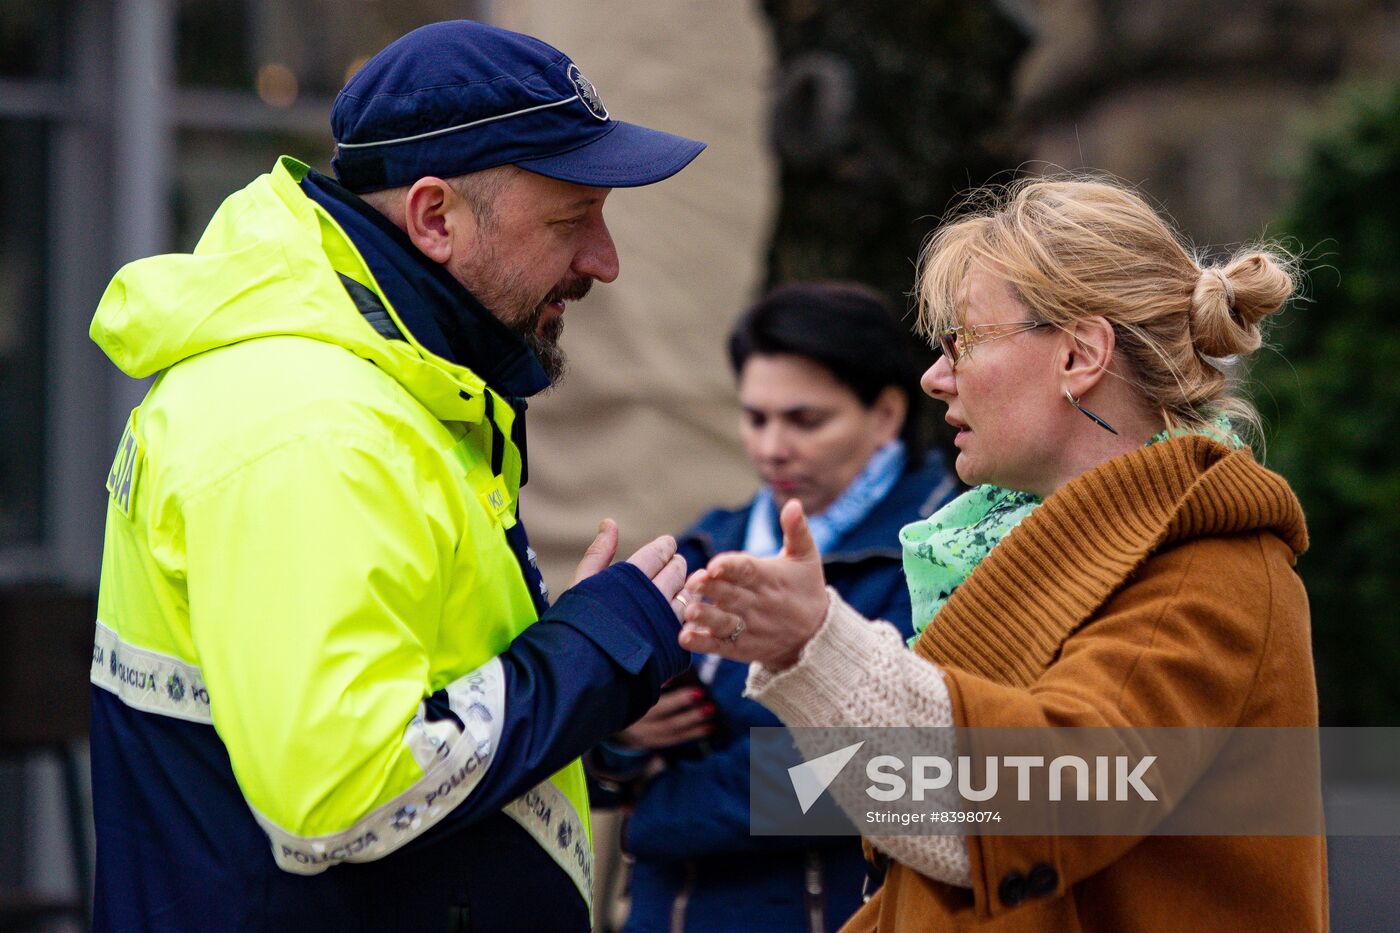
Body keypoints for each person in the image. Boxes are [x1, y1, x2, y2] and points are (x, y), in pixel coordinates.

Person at [88, 20, 705, 933]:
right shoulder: (315, 425)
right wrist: (593, 654)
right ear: (432, 218)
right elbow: (347, 790)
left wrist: (588, 704)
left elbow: (416, 699)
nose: (602, 262)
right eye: (572, 220)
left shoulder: (372, 386)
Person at [678, 177, 1326, 930]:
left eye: (964, 341)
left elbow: (1022, 808)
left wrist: (818, 644)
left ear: (1080, 355)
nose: (935, 375)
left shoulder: (1204, 569)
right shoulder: (1021, 549)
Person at [589, 282, 960, 932]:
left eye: (804, 419)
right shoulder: (706, 541)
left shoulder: (939, 551)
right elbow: (592, 759)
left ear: (886, 413)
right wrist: (618, 731)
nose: (772, 446)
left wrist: (656, 807)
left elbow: (872, 769)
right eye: (756, 417)